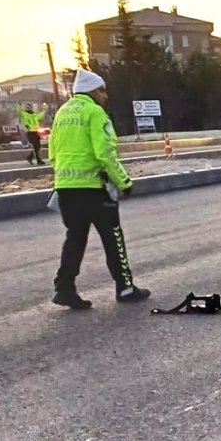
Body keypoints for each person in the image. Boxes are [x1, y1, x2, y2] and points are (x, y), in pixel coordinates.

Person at [49, 68, 150, 309]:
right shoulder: (95, 113)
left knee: (75, 239)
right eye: (102, 90)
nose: (105, 95)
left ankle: (64, 288)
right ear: (92, 90)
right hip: (94, 189)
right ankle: (125, 287)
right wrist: (124, 183)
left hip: (66, 190)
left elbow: (52, 153)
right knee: (113, 237)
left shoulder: (62, 114)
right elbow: (104, 152)